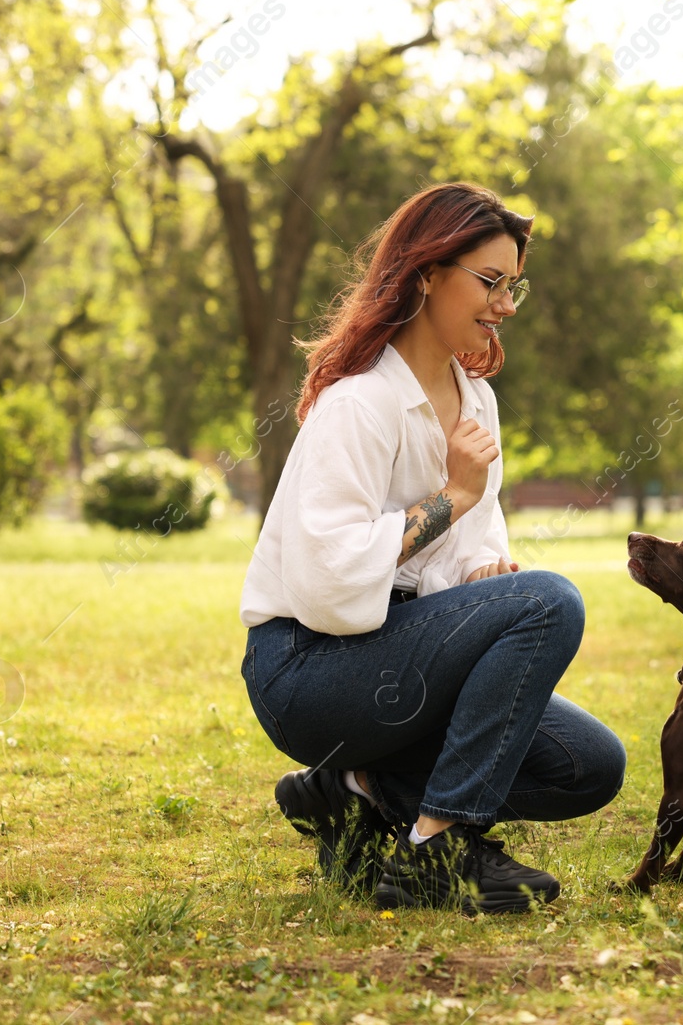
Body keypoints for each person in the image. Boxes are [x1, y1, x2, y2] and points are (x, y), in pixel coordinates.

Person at [237, 181, 625, 915]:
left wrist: (485, 572)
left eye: (513, 286)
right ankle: (438, 848)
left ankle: (352, 792)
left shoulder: (475, 400)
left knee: (590, 765)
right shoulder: (358, 403)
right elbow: (328, 584)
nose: (505, 305)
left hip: (395, 661)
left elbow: (473, 544)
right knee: (551, 600)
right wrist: (451, 495)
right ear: (425, 274)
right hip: (307, 671)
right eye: (490, 282)